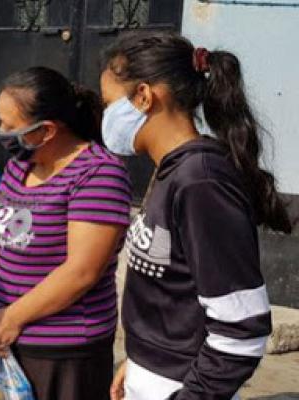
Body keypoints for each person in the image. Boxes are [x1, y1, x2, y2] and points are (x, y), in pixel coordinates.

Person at [101, 31, 292, 400]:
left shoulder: (201, 181)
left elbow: (242, 329)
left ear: (143, 96)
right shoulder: (170, 169)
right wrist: (140, 360)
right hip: (153, 375)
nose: (105, 117)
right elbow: (173, 289)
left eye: (109, 103)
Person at [0, 67, 132, 400]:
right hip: (5, 337)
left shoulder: (98, 174)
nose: (1, 133)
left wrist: (12, 317)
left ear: (46, 130)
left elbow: (82, 272)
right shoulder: (20, 166)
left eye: (10, 126)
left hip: (65, 353)